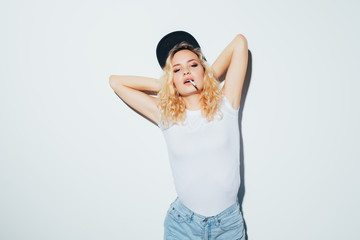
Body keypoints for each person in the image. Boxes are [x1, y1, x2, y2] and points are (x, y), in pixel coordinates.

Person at [109, 30, 248, 240]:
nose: (186, 72)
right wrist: (167, 85)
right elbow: (116, 82)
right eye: (177, 69)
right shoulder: (167, 116)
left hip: (227, 226)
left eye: (193, 65)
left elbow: (240, 43)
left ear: (204, 69)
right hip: (183, 226)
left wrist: (207, 77)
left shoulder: (226, 104)